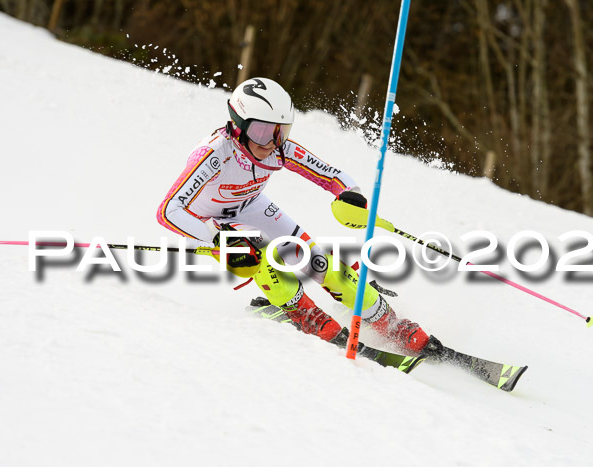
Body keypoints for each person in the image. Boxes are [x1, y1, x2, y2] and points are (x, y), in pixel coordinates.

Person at [157, 77, 439, 354]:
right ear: (237, 126)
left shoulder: (278, 149)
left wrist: (348, 193)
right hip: (210, 222)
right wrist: (217, 238)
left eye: (281, 131)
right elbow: (168, 211)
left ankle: (390, 324)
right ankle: (304, 314)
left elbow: (332, 175)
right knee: (264, 256)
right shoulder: (214, 154)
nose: (271, 142)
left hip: (251, 206)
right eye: (262, 132)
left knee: (317, 262)